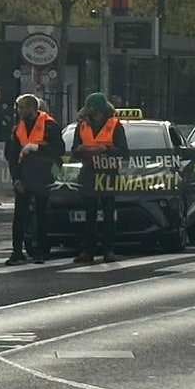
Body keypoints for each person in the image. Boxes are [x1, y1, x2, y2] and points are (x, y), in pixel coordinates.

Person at [4, 93, 64, 265]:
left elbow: (58, 149)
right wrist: (16, 179)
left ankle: (41, 251)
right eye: (18, 108)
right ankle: (17, 251)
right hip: (24, 175)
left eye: (22, 108)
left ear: (32, 108)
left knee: (41, 213)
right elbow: (12, 155)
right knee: (20, 215)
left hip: (42, 174)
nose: (19, 111)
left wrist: (36, 148)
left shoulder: (49, 125)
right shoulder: (18, 128)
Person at [72, 92, 129, 264]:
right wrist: (81, 149)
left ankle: (108, 250)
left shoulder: (115, 125)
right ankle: (88, 251)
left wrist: (105, 149)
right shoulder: (81, 126)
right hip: (89, 174)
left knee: (108, 213)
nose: (86, 110)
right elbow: (74, 151)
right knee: (89, 214)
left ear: (96, 108)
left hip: (107, 174)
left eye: (89, 106)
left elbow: (124, 152)